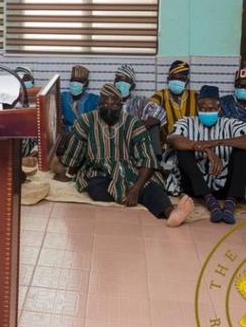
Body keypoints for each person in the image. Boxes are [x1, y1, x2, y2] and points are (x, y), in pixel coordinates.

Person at [62, 84, 193, 227]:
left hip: (131, 170)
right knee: (95, 189)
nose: (109, 108)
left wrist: (136, 189)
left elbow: (146, 159)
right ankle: (132, 196)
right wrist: (69, 174)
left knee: (152, 187)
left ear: (120, 105)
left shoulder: (133, 123)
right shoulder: (86, 121)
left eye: (114, 105)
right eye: (105, 104)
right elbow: (76, 151)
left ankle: (171, 213)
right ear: (99, 105)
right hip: (99, 171)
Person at [162, 85, 246, 225]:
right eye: (202, 108)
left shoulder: (231, 123)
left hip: (227, 186)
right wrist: (206, 149)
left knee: (244, 148)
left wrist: (217, 142)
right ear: (197, 109)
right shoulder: (187, 122)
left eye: (211, 109)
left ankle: (230, 204)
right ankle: (211, 202)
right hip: (196, 187)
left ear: (219, 108)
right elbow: (174, 140)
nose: (206, 111)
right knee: (183, 150)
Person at [114, 64, 167, 155]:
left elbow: (159, 112)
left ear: (133, 86)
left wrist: (141, 124)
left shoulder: (139, 101)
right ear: (114, 84)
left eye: (126, 82)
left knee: (153, 126)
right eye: (118, 81)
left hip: (136, 141)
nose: (121, 85)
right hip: (114, 141)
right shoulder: (108, 101)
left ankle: (155, 161)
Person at [150, 60, 198, 139]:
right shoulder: (159, 96)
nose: (177, 81)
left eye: (181, 79)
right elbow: (151, 115)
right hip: (166, 145)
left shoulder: (195, 96)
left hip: (191, 145)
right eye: (173, 78)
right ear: (168, 79)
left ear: (187, 81)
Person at [60, 65, 99, 133]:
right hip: (67, 135)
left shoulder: (94, 100)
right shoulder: (63, 97)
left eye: (79, 81)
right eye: (73, 80)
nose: (75, 84)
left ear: (86, 84)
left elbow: (96, 124)